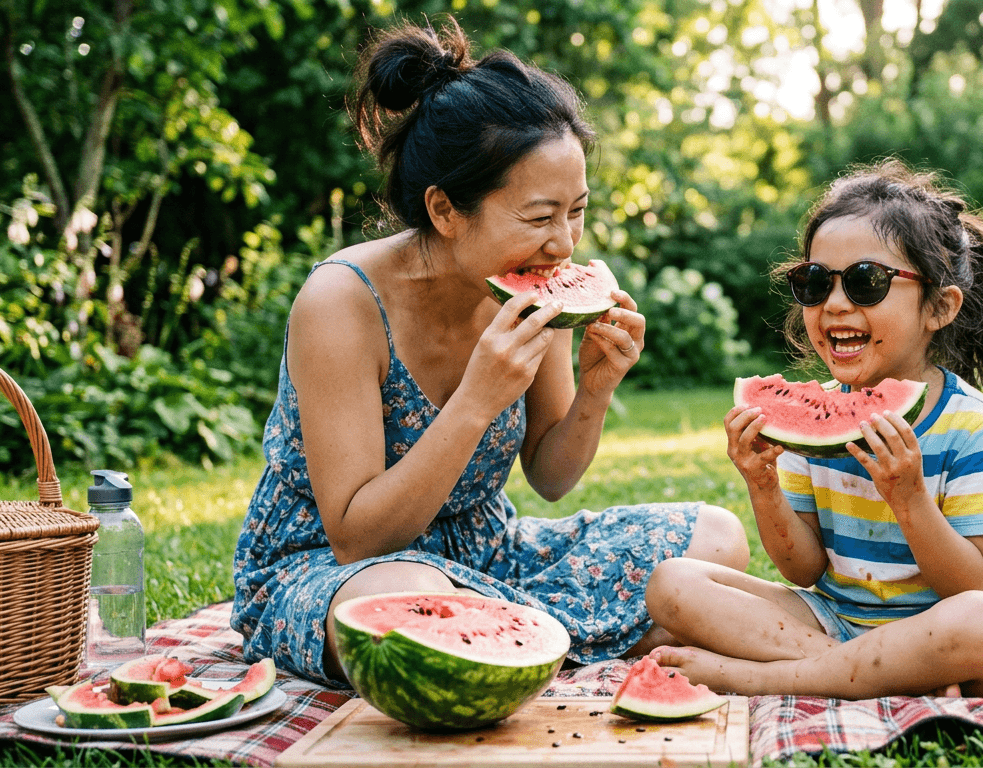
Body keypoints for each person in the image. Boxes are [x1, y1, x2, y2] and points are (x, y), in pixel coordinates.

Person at [230, 17, 748, 687]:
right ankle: (559, 635)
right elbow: (357, 536)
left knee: (716, 538)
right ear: (445, 211)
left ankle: (515, 642)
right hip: (330, 568)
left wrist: (594, 390)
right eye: (539, 217)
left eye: (577, 210)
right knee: (400, 606)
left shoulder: (538, 291)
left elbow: (551, 475)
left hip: (489, 553)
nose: (564, 243)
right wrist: (475, 402)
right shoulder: (342, 304)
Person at [644, 159, 983, 699]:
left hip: (943, 629)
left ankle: (761, 677)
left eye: (866, 282)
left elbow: (967, 585)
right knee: (672, 584)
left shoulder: (975, 428)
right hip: (833, 617)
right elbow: (804, 569)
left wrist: (910, 498)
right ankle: (872, 674)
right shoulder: (811, 424)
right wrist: (763, 485)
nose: (835, 304)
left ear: (940, 307)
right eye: (815, 282)